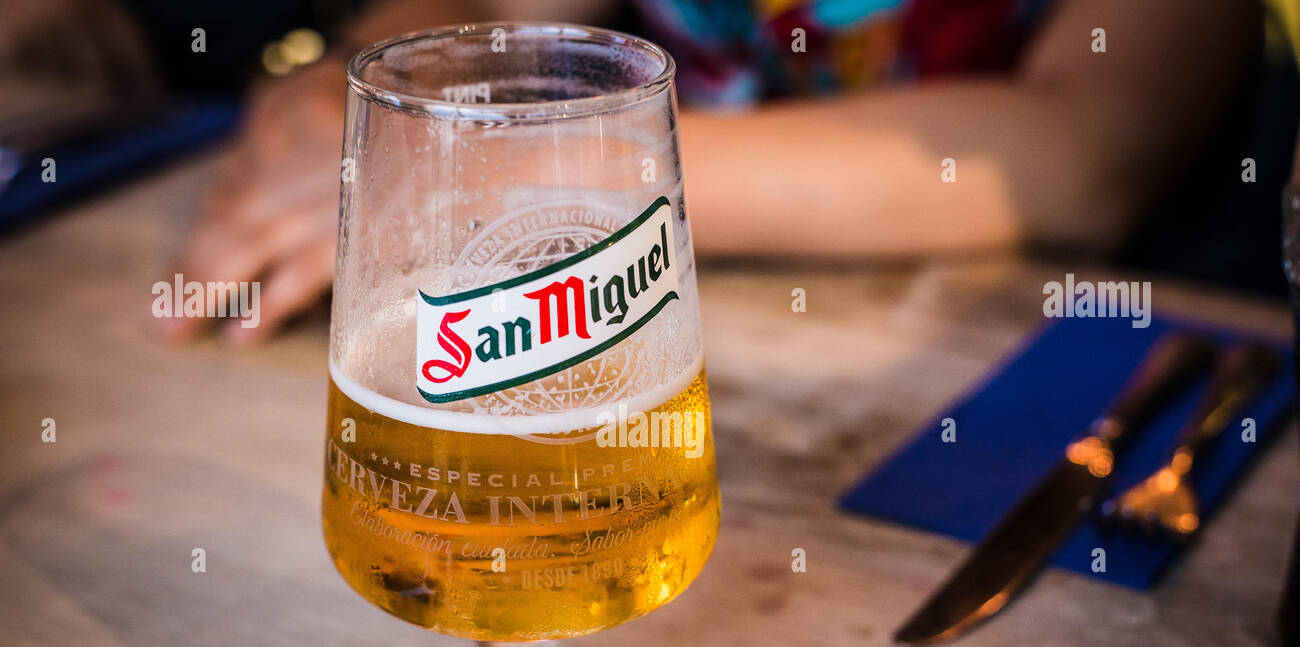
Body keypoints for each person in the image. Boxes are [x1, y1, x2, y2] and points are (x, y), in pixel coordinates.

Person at [28, 0, 1262, 342]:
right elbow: (508, 19)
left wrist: (522, 169)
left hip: (1078, 357)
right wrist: (366, 68)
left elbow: (1078, 153)